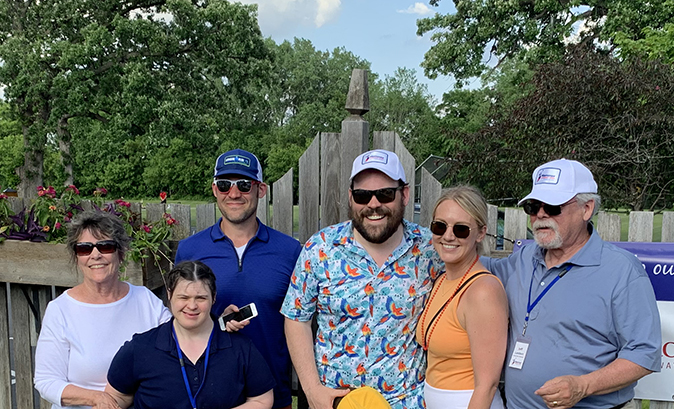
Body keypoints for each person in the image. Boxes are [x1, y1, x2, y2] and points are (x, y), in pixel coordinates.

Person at [482, 158, 661, 409]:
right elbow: (472, 267)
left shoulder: (622, 270)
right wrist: (438, 244)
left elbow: (644, 353)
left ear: (586, 209)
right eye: (533, 207)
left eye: (553, 206)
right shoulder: (524, 258)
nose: (540, 214)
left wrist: (583, 386)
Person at [281, 149, 442, 409]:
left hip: (406, 402)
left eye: (385, 194)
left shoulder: (430, 250)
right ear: (350, 197)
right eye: (362, 195)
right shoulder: (321, 248)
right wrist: (312, 390)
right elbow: (296, 318)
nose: (373, 204)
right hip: (336, 402)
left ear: (404, 194)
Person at [174, 149, 301, 409]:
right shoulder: (190, 250)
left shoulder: (290, 251)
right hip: (207, 394)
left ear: (260, 189)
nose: (233, 194)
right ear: (214, 189)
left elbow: (301, 322)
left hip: (273, 395)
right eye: (224, 185)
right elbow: (179, 320)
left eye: (244, 185)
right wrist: (216, 321)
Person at [34, 210, 171, 409]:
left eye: (105, 246)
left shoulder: (145, 300)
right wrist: (97, 399)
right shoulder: (60, 310)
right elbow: (46, 381)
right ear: (76, 257)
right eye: (84, 249)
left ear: (121, 254)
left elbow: (177, 343)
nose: (95, 255)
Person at [105, 260, 275, 409]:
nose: (192, 306)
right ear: (170, 295)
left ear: (214, 298)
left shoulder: (241, 348)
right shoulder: (139, 348)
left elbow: (262, 400)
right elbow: (115, 397)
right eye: (183, 297)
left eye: (200, 298)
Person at [417, 186, 508, 409]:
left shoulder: (482, 291)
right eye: (440, 226)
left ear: (480, 233)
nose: (448, 236)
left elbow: (487, 385)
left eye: (461, 230)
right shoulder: (441, 281)